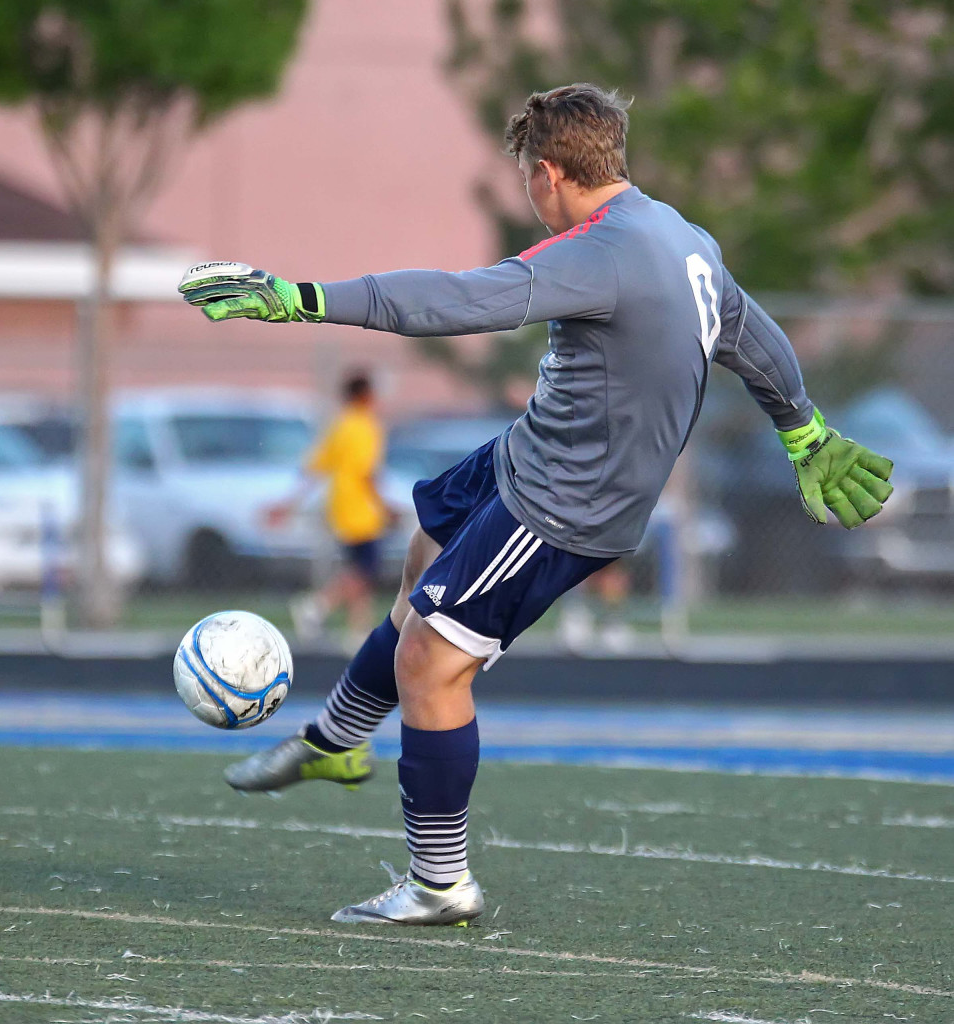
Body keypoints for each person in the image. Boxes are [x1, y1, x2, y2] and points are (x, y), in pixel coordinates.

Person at [178, 83, 893, 927]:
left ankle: (440, 885)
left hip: (567, 504)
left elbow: (458, 300)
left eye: (527, 178)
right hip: (532, 453)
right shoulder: (681, 235)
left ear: (549, 173)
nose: (529, 196)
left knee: (431, 663)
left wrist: (303, 297)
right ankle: (335, 743)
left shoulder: (598, 253)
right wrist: (803, 427)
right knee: (422, 563)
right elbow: (752, 331)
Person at [278, 372, 389, 649]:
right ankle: (317, 605)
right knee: (365, 570)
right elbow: (366, 473)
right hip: (361, 509)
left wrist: (287, 504)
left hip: (339, 506)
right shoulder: (365, 426)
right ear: (365, 395)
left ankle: (358, 631)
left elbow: (315, 467)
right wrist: (385, 505)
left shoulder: (340, 425)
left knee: (360, 569)